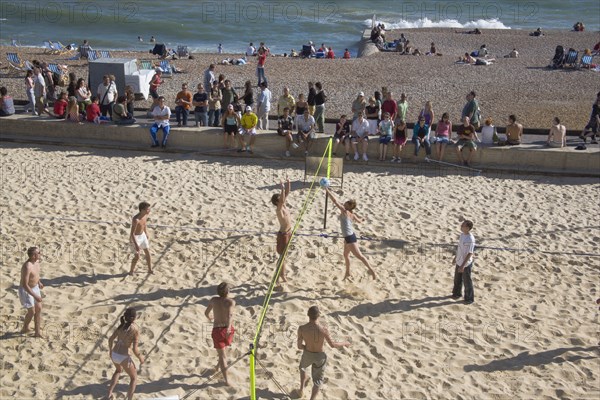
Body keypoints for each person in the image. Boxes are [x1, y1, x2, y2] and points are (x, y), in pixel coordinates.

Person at [297, 305, 350, 400]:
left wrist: (306, 347)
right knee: (318, 381)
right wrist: (344, 343)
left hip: (307, 353)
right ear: (318, 316)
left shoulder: (301, 328)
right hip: (320, 356)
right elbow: (333, 345)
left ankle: (301, 389)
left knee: (302, 368)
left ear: (308, 315)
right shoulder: (324, 329)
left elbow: (299, 346)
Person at [324, 187, 376, 280]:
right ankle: (348, 273)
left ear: (348, 206)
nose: (344, 204)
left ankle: (371, 270)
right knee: (346, 255)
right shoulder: (352, 214)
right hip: (348, 237)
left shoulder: (345, 211)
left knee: (360, 256)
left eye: (346, 203)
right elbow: (360, 221)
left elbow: (335, 201)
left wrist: (327, 190)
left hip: (350, 238)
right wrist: (363, 219)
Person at [106, 308, 144, 400]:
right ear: (135, 317)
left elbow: (110, 339)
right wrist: (140, 357)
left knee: (118, 371)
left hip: (115, 353)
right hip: (124, 356)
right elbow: (135, 349)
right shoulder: (135, 329)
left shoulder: (121, 326)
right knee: (133, 378)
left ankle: (109, 393)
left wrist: (110, 351)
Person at [205, 282, 236, 386]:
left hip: (217, 330)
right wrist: (228, 328)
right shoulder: (231, 302)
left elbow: (206, 313)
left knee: (222, 355)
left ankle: (224, 376)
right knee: (223, 353)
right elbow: (230, 315)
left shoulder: (213, 300)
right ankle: (223, 374)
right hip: (228, 330)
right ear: (227, 292)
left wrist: (210, 318)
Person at [19, 247, 44, 338]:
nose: (40, 254)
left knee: (39, 309)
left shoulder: (37, 262)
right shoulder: (27, 266)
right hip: (26, 290)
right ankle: (25, 327)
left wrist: (39, 282)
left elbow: (36, 274)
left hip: (35, 287)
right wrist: (35, 296)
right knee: (31, 311)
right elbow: (25, 285)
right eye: (39, 252)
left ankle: (37, 333)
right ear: (34, 256)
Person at [271, 178, 292, 283]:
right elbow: (283, 196)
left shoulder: (283, 204)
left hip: (288, 233)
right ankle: (280, 276)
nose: (283, 199)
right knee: (282, 257)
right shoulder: (279, 209)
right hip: (283, 234)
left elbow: (287, 193)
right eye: (280, 199)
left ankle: (280, 276)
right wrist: (282, 188)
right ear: (276, 202)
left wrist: (288, 183)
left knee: (284, 256)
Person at [451, 220, 476, 305]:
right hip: (459, 260)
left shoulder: (470, 239)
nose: (461, 226)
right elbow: (459, 247)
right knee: (457, 279)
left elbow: (470, 253)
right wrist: (455, 258)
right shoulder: (462, 235)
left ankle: (469, 298)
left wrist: (462, 266)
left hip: (466, 263)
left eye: (463, 225)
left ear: (467, 228)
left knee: (467, 281)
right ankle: (457, 294)